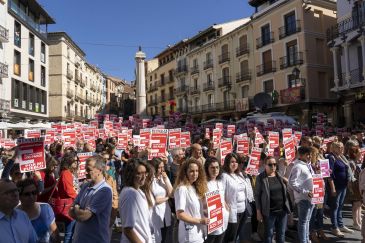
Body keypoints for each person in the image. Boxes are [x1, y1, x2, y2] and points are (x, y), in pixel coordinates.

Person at [69, 155, 112, 243]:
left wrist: (76, 208)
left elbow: (84, 216)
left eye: (89, 170)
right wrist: (78, 211)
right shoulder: (85, 186)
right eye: (85, 169)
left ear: (99, 170)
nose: (86, 172)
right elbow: (70, 211)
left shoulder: (105, 190)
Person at [255, 156, 291, 243]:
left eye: (275, 164)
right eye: (270, 165)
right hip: (269, 212)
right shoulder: (260, 178)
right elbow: (257, 196)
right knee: (268, 235)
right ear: (265, 165)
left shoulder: (279, 175)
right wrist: (258, 212)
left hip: (282, 211)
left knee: (281, 235)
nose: (273, 167)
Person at [174, 158, 209, 243]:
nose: (195, 174)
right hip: (189, 235)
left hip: (199, 233)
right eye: (192, 171)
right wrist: (200, 221)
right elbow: (180, 214)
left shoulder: (194, 187)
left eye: (197, 171)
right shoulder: (182, 189)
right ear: (185, 172)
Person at [17, 178, 60, 243]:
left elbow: (55, 233)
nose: (31, 196)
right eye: (27, 194)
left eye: (34, 193)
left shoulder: (45, 208)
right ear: (19, 196)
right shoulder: (14, 214)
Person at [119, 159, 153, 242]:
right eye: (139, 173)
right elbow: (128, 229)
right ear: (131, 175)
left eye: (145, 173)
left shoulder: (139, 191)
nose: (143, 176)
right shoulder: (130, 193)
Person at [221, 153, 250, 243]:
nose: (234, 164)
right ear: (227, 163)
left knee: (236, 235)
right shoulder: (224, 176)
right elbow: (221, 194)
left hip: (243, 210)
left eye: (236, 162)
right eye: (232, 162)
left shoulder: (239, 174)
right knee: (230, 238)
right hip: (233, 212)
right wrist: (225, 205)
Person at [327, 142, 354, 236]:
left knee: (340, 206)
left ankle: (340, 225)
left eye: (342, 147)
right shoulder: (331, 157)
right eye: (339, 147)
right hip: (336, 186)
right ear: (333, 148)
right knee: (335, 207)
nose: (341, 148)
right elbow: (329, 174)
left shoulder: (341, 157)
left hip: (343, 186)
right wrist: (333, 188)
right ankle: (334, 227)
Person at [289, 146, 314, 243]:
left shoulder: (307, 165)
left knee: (307, 221)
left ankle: (307, 239)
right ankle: (303, 240)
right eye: (307, 155)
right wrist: (305, 192)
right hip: (303, 198)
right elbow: (292, 183)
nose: (309, 156)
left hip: (311, 197)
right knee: (303, 221)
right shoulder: (298, 166)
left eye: (310, 154)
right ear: (301, 155)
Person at [0, 178, 38, 243]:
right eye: (8, 192)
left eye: (16, 190)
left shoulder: (22, 215)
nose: (15, 194)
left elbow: (33, 240)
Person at [204, 156, 228, 243]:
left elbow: (222, 197)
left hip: (223, 219)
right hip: (212, 222)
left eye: (217, 167)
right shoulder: (204, 184)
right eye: (212, 167)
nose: (215, 170)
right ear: (207, 169)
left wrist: (225, 206)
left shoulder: (220, 182)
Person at [56, 152, 78, 243]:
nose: (76, 163)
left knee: (70, 233)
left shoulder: (67, 172)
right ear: (69, 161)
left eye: (77, 161)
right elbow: (69, 191)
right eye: (75, 161)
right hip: (69, 205)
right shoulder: (66, 173)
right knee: (69, 234)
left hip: (70, 204)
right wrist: (79, 198)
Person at [151, 158, 173, 243]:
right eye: (160, 167)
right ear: (154, 168)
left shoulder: (164, 178)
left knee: (163, 237)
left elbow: (171, 193)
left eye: (163, 167)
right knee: (156, 239)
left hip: (165, 213)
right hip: (155, 213)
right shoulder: (150, 180)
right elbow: (155, 200)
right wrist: (167, 198)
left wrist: (166, 179)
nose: (162, 170)